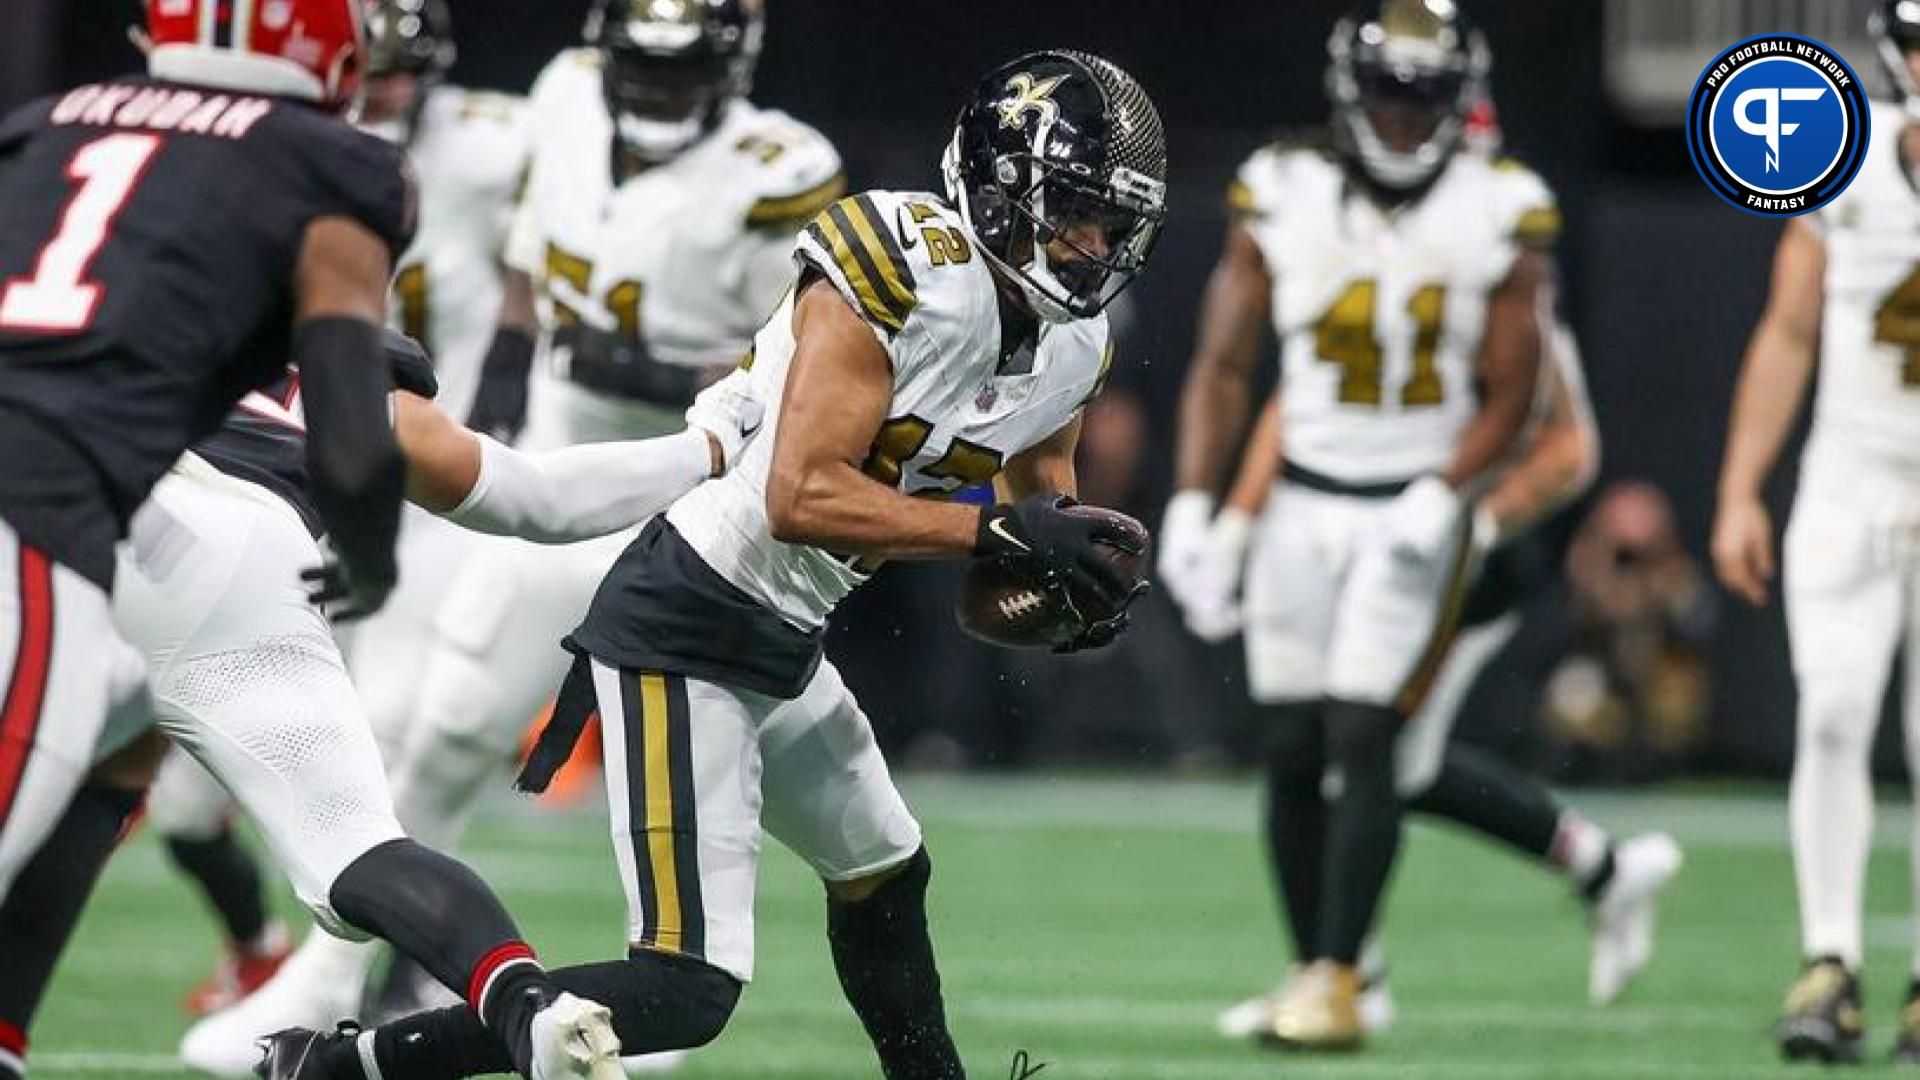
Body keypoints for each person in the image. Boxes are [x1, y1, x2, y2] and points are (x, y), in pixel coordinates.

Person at [257, 47, 1167, 1080]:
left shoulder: (1069, 346)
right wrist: (990, 536)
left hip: (784, 632)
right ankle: (343, 1067)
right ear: (1000, 194)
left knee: (884, 870)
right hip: (692, 613)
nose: (1095, 247)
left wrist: (1064, 588)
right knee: (686, 988)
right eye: (1076, 213)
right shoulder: (903, 262)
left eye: (1114, 225)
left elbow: (1029, 513)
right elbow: (799, 492)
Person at [182, 2, 846, 1068]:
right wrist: (508, 361)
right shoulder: (570, 95)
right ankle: (341, 975)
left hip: (708, 509)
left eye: (681, 80)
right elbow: (533, 261)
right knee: (442, 724)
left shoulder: (780, 169)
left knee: (723, 767)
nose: (656, 96)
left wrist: (669, 380)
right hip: (560, 457)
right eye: (643, 72)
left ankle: (663, 985)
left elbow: (811, 363)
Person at [0, 3, 632, 1077]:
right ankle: (525, 1003)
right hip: (245, 551)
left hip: (72, 519)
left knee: (69, 803)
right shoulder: (327, 174)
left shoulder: (49, 126)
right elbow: (483, 481)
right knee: (352, 842)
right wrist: (368, 568)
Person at [1158, 0, 1549, 1051]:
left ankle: (1339, 976)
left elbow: (1517, 391)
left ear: (1458, 98)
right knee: (1290, 741)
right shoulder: (1279, 189)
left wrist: (1448, 489)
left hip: (1415, 504)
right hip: (1299, 499)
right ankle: (1314, 968)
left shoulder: (1502, 207)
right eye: (1390, 93)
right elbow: (1226, 366)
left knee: (1365, 730)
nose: (1407, 118)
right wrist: (1199, 505)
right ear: (1350, 90)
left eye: (1426, 97)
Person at [151, 0, 536, 1020]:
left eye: (403, 72)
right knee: (185, 812)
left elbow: (544, 254)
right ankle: (263, 957)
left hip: (405, 461)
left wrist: (508, 357)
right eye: (371, 70)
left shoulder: (499, 143)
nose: (385, 92)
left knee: (406, 733)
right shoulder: (263, 156)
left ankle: (400, 981)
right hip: (255, 467)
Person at [1191, 316, 1682, 1042]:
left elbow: (1570, 448)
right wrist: (1237, 518)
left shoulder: (1498, 279)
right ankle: (1600, 872)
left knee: (1374, 753)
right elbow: (1296, 400)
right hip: (1348, 541)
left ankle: (1347, 975)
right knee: (1346, 751)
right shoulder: (1350, 256)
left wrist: (1476, 523)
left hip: (1451, 569)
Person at [1711, 0, 1920, 1062]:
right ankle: (1830, 958)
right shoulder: (1850, 162)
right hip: (1850, 475)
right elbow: (1789, 330)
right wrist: (1742, 485)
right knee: (1834, 711)